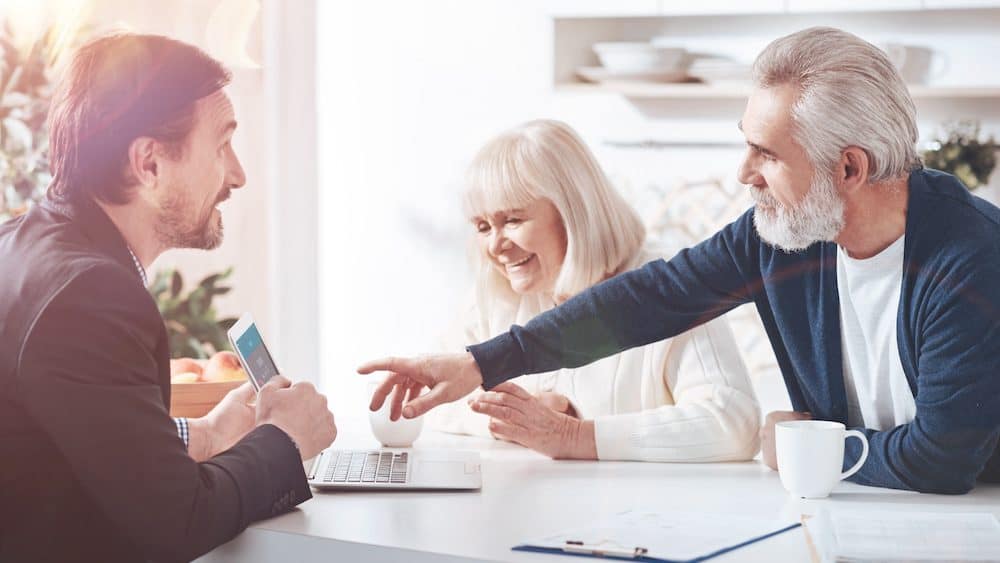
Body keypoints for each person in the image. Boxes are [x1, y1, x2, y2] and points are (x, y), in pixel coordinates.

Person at [361, 27, 1000, 494]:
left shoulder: (969, 260)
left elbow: (941, 462)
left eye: (766, 154)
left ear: (850, 168)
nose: (744, 173)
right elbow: (647, 300)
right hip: (866, 509)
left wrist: (808, 447)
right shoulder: (785, 236)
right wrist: (481, 362)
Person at [0, 34, 336, 562]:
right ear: (149, 164)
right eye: (222, 144)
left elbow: (64, 438)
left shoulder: (19, 245)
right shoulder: (88, 296)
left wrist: (200, 435)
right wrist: (284, 439)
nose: (237, 174)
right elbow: (180, 521)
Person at [423, 119, 759, 461]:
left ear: (573, 212)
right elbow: (427, 397)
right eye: (482, 227)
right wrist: (517, 421)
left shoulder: (670, 286)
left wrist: (575, 435)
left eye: (513, 220)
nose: (496, 246)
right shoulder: (498, 294)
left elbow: (732, 422)